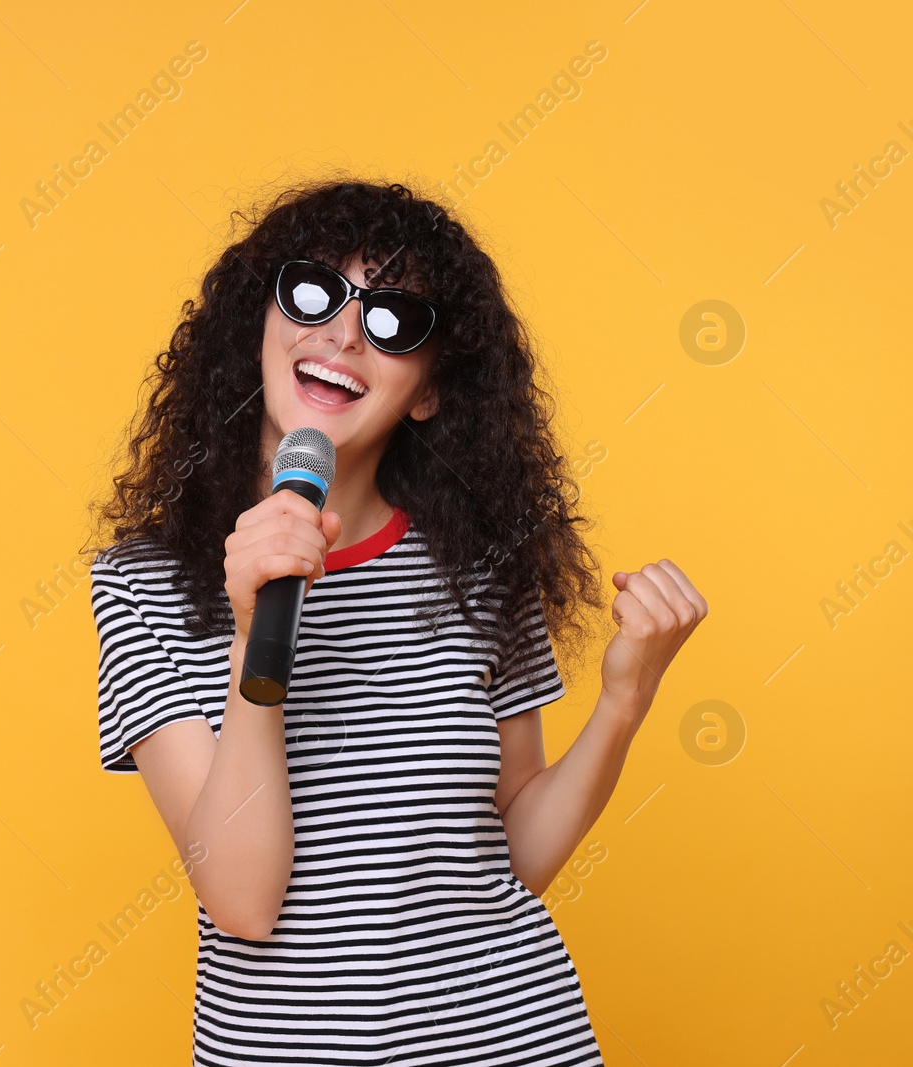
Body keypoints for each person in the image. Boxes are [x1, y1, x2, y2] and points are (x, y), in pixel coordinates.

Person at [85, 178, 708, 1065]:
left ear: (426, 391)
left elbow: (512, 856)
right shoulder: (148, 584)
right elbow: (244, 899)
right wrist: (256, 633)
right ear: (254, 327)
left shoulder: (480, 565)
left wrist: (624, 702)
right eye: (314, 293)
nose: (343, 332)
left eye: (393, 320)